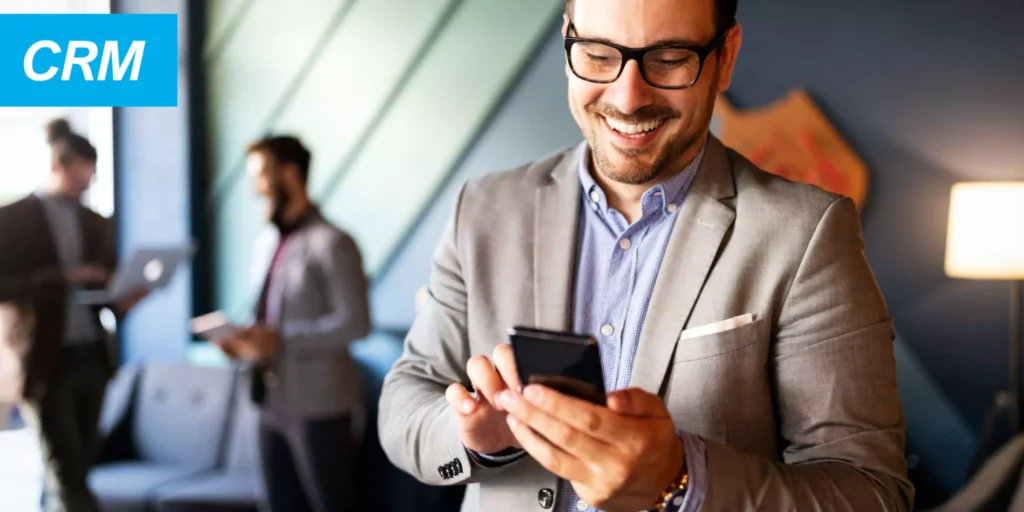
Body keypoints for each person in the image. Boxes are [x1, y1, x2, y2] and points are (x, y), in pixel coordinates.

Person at [377, 0, 914, 510]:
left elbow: (869, 491)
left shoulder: (807, 233)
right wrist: (474, 437)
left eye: (670, 58)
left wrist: (681, 480)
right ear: (567, 43)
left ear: (724, 57)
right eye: (597, 54)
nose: (628, 97)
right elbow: (405, 400)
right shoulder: (484, 208)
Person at [213, 135, 371, 512]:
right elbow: (267, 315)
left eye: (262, 175)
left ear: (290, 174)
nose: (255, 188)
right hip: (269, 401)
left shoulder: (333, 242)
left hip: (321, 406)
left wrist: (280, 341)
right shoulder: (267, 242)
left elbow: (356, 323)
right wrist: (241, 339)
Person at [0, 119, 148, 512]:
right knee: (68, 475)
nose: (86, 188)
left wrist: (122, 300)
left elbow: (103, 296)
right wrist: (64, 277)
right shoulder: (13, 220)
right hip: (44, 361)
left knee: (76, 468)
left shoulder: (93, 221)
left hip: (91, 356)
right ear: (59, 167)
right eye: (82, 178)